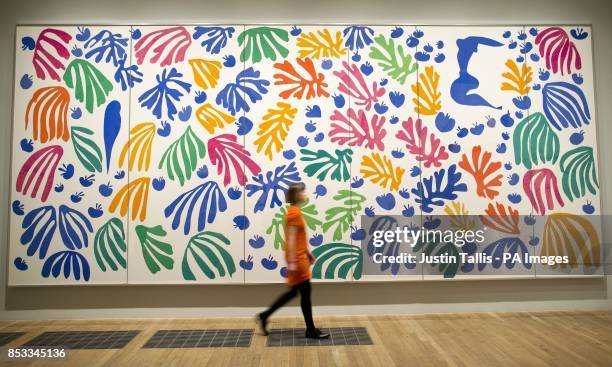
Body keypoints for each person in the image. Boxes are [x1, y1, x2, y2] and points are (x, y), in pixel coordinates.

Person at [256, 183, 330, 339]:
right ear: (296, 195)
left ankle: (265, 315)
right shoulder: (293, 214)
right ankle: (310, 329)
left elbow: (299, 238)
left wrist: (308, 254)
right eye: (302, 192)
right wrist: (292, 262)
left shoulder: (295, 212)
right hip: (297, 259)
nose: (305, 194)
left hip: (300, 257)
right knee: (304, 293)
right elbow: (290, 238)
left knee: (295, 292)